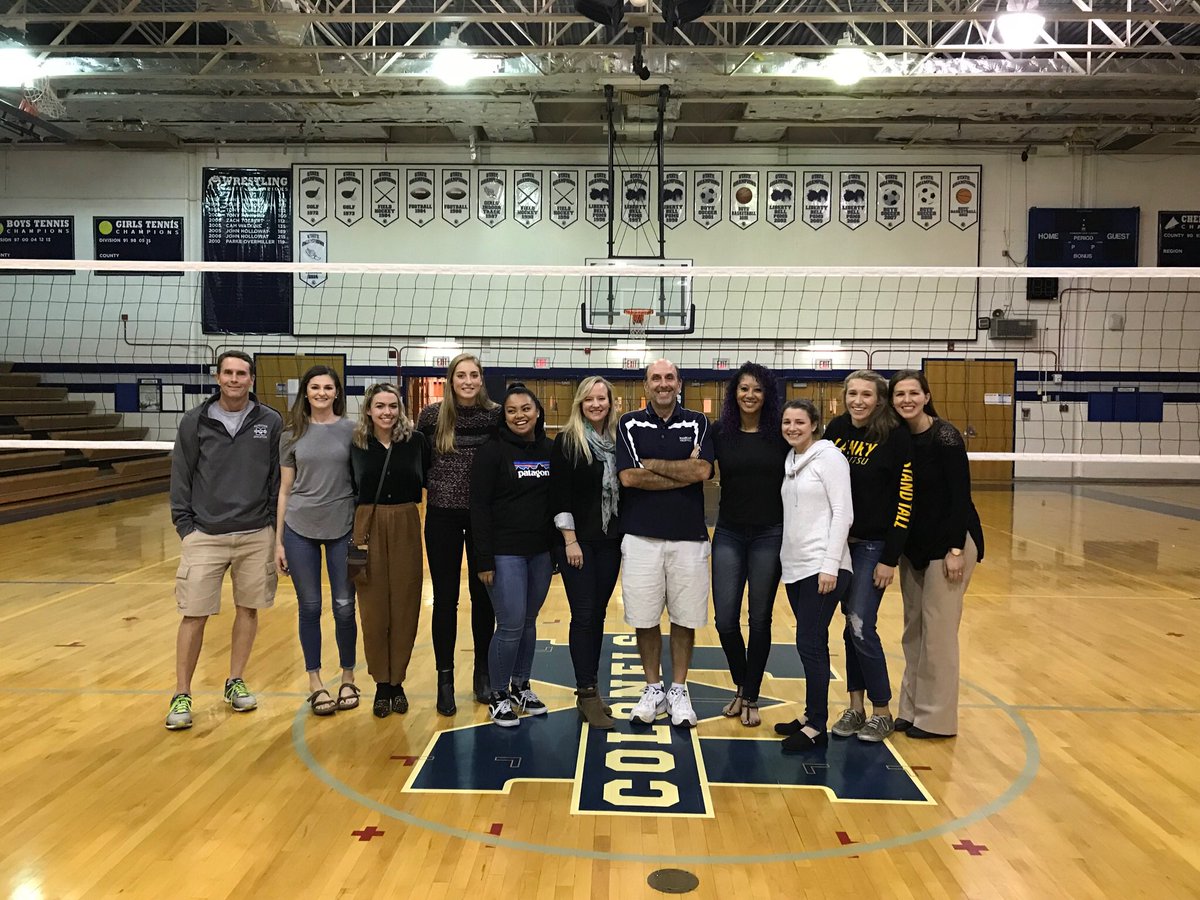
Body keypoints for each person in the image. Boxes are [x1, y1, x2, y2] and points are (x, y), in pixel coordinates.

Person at [165, 350, 282, 731]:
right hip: (205, 534)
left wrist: (268, 525)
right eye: (228, 372)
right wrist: (186, 526)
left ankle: (235, 681)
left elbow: (276, 479)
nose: (234, 379)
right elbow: (181, 474)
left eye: (241, 373)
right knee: (193, 614)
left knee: (248, 609)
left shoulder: (270, 421)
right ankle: (182, 693)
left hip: (254, 533)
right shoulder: (194, 421)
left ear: (251, 379)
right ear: (218, 377)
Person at [616, 359, 715, 729]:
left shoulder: (699, 422)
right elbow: (628, 477)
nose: (662, 384)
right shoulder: (628, 423)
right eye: (655, 378)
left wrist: (651, 465)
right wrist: (682, 472)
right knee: (644, 617)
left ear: (679, 383)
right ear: (645, 385)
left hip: (689, 538)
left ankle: (678, 688)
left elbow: (703, 471)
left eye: (669, 377)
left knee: (684, 618)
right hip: (641, 537)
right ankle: (652, 686)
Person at [816, 370, 913, 743]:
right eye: (852, 393)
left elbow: (906, 501)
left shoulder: (895, 436)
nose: (858, 401)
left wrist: (890, 557)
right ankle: (855, 709)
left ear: (880, 399)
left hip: (874, 546)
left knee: (860, 622)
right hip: (842, 543)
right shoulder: (838, 429)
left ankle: (882, 711)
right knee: (848, 627)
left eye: (866, 395)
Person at [888, 369, 985, 739]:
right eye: (899, 394)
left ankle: (937, 720)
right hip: (914, 547)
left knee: (939, 634)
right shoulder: (897, 439)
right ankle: (910, 710)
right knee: (914, 631)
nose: (906, 400)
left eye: (913, 393)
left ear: (926, 396)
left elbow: (960, 498)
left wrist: (956, 550)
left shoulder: (945, 437)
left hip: (950, 543)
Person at [417, 353, 501, 716]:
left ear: (482, 379)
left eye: (474, 375)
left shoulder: (496, 415)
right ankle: (445, 679)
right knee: (446, 600)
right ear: (451, 380)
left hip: (485, 519)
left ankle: (482, 673)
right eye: (461, 375)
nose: (468, 381)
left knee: (483, 597)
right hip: (442, 517)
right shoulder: (432, 416)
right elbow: (419, 462)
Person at [275, 365, 359, 717]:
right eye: (315, 387)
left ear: (337, 392)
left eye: (328, 387)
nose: (322, 392)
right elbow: (284, 489)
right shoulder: (291, 434)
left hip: (342, 526)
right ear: (305, 392)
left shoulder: (353, 431)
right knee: (310, 607)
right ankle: (315, 681)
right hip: (299, 527)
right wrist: (277, 541)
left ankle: (348, 676)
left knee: (344, 606)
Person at [471, 384, 555, 727]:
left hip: (540, 552)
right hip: (504, 552)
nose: (520, 415)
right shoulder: (492, 452)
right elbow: (478, 507)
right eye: (511, 410)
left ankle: (521, 686)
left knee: (530, 622)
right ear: (503, 416)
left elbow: (557, 503)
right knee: (510, 625)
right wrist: (484, 558)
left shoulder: (550, 449)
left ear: (537, 412)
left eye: (526, 408)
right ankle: (498, 694)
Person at [711, 362, 788, 729]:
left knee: (760, 619)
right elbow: (698, 468)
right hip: (728, 533)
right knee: (725, 620)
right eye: (744, 388)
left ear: (767, 394)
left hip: (769, 534)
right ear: (734, 393)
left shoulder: (780, 435)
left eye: (757, 389)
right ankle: (742, 683)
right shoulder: (720, 432)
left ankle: (751, 694)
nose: (750, 395)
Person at [350, 383, 431, 718]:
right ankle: (380, 683)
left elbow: (427, 480)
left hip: (405, 522)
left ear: (401, 409)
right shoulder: (356, 445)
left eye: (392, 406)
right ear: (369, 410)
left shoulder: (416, 442)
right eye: (380, 406)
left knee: (405, 604)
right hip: (365, 523)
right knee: (372, 609)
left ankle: (397, 681)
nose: (386, 412)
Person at [777, 398, 853, 751]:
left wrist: (829, 565)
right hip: (796, 567)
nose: (792, 427)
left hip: (823, 568)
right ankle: (811, 715)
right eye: (787, 422)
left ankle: (817, 725)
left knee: (809, 642)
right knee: (812, 641)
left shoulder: (830, 457)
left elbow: (843, 513)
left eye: (799, 422)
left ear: (814, 425)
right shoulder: (792, 459)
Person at [550, 376, 623, 729]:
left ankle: (592, 690)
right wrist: (569, 540)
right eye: (590, 399)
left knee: (598, 614)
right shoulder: (568, 441)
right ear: (580, 402)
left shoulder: (618, 440)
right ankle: (586, 692)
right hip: (577, 544)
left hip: (609, 541)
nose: (596, 404)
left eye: (602, 398)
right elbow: (559, 495)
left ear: (610, 403)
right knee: (583, 615)